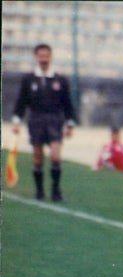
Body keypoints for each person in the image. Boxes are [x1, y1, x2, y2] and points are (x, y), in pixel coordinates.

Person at [12, 43, 77, 201]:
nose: (44, 59)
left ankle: (55, 191)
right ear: (36, 57)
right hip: (36, 120)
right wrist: (16, 120)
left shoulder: (60, 79)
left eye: (46, 56)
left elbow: (67, 103)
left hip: (55, 120)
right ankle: (39, 191)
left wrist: (70, 123)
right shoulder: (29, 79)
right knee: (37, 156)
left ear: (51, 57)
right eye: (41, 56)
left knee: (55, 155)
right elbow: (22, 102)